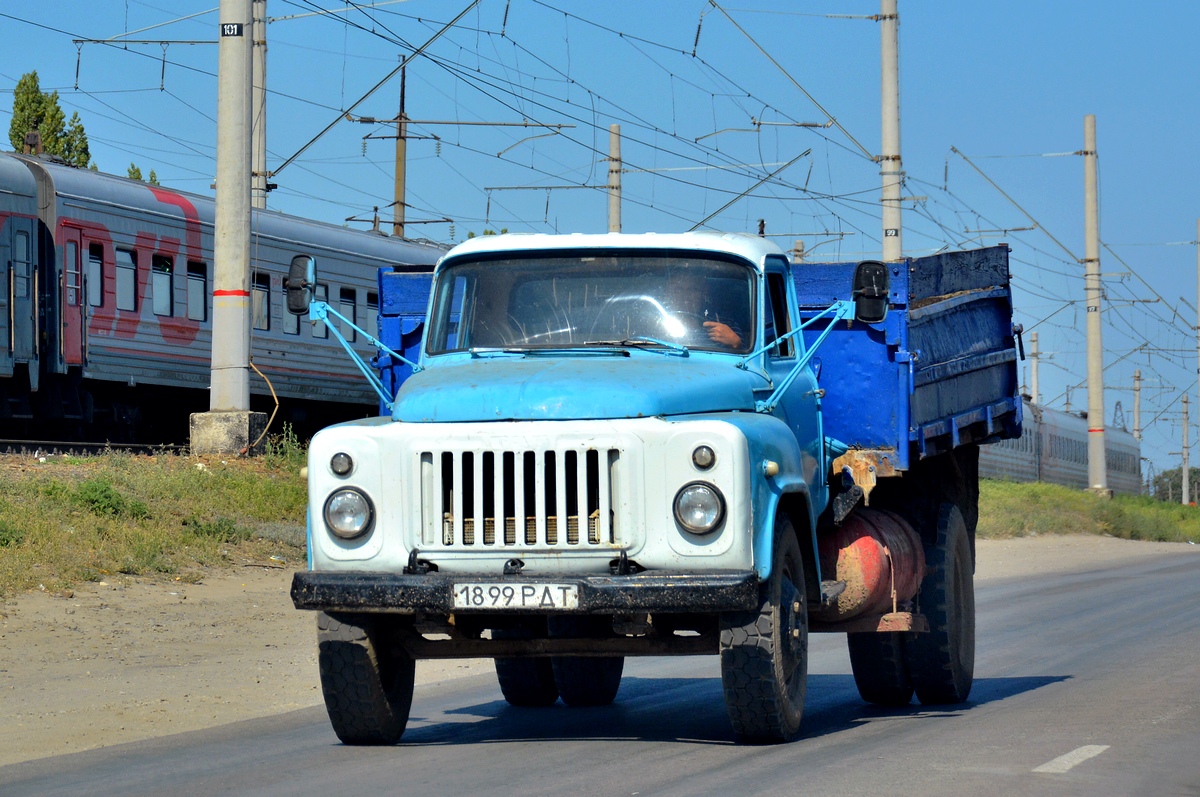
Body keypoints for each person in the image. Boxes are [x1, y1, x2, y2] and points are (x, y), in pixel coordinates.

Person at [666, 271, 744, 349]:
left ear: (703, 294)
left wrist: (735, 342)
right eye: (678, 289)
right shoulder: (657, 323)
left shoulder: (725, 323)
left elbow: (747, 358)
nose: (685, 295)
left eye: (693, 289)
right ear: (669, 293)